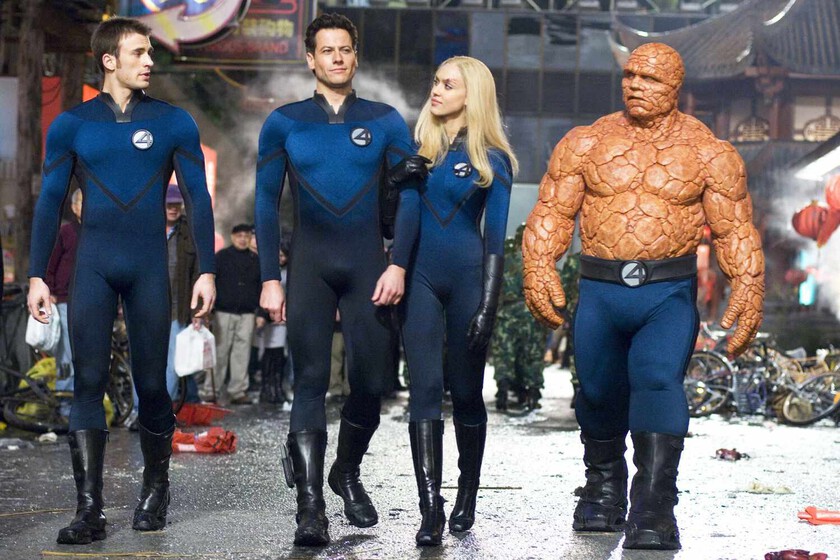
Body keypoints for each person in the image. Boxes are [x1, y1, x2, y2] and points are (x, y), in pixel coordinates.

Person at [522, 43, 764, 550]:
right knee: (597, 390)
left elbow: (734, 228)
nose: (635, 84)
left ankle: (654, 506)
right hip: (600, 289)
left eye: (650, 78)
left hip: (666, 293)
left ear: (675, 87)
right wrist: (539, 263)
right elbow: (553, 210)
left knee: (657, 381)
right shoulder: (585, 143)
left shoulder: (709, 153)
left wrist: (748, 284)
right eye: (630, 74)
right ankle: (603, 490)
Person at [27, 17, 216, 545]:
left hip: (148, 267)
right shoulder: (72, 125)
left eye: (150, 52)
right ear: (109, 60)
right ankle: (89, 511)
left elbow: (198, 199)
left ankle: (156, 488)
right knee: (87, 383)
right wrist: (37, 275)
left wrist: (207, 269)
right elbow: (50, 201)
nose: (149, 61)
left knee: (152, 384)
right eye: (138, 53)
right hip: (92, 266)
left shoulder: (174, 122)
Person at [254, 13, 420, 546]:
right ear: (310, 59)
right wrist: (270, 277)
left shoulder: (386, 120)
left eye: (345, 49)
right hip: (309, 266)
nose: (338, 58)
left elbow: (411, 196)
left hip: (369, 267)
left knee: (371, 382)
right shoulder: (284, 122)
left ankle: (345, 470)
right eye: (327, 50)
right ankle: (310, 509)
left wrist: (398, 263)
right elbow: (265, 202)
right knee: (309, 381)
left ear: (355, 55)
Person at [395, 56, 517, 546]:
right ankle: (431, 507)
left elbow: (496, 242)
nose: (437, 90)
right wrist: (391, 182)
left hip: (469, 282)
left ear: (473, 95)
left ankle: (468, 490)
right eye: (436, 81)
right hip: (419, 279)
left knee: (466, 393)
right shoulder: (415, 151)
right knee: (423, 391)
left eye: (449, 84)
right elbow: (390, 222)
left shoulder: (494, 160)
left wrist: (488, 304)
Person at [203, 224, 260, 405]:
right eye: (239, 235)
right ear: (233, 237)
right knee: (220, 352)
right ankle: (211, 390)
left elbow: (261, 287)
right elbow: (211, 283)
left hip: (247, 313)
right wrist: (209, 309)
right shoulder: (221, 257)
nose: (243, 239)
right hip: (223, 311)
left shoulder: (256, 260)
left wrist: (262, 313)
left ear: (250, 238)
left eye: (246, 236)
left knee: (242, 354)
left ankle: (238, 390)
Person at [493, 224, 545, 412]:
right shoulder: (538, 263)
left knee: (505, 354)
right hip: (531, 314)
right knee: (531, 355)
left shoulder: (505, 262)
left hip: (507, 314)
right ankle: (532, 393)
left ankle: (503, 391)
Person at [163, 183, 202, 404]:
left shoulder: (189, 231)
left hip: (178, 309)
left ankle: (164, 409)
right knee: (144, 360)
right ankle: (140, 410)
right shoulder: (148, 227)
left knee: (173, 362)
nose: (173, 208)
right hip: (147, 307)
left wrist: (198, 311)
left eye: (177, 204)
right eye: (169, 204)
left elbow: (198, 273)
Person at [45, 189, 83, 409]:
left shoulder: (97, 232)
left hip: (88, 300)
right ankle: (65, 406)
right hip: (64, 300)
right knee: (67, 353)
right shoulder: (66, 232)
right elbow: (51, 263)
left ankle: (80, 403)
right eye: (83, 203)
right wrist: (49, 290)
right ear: (74, 207)